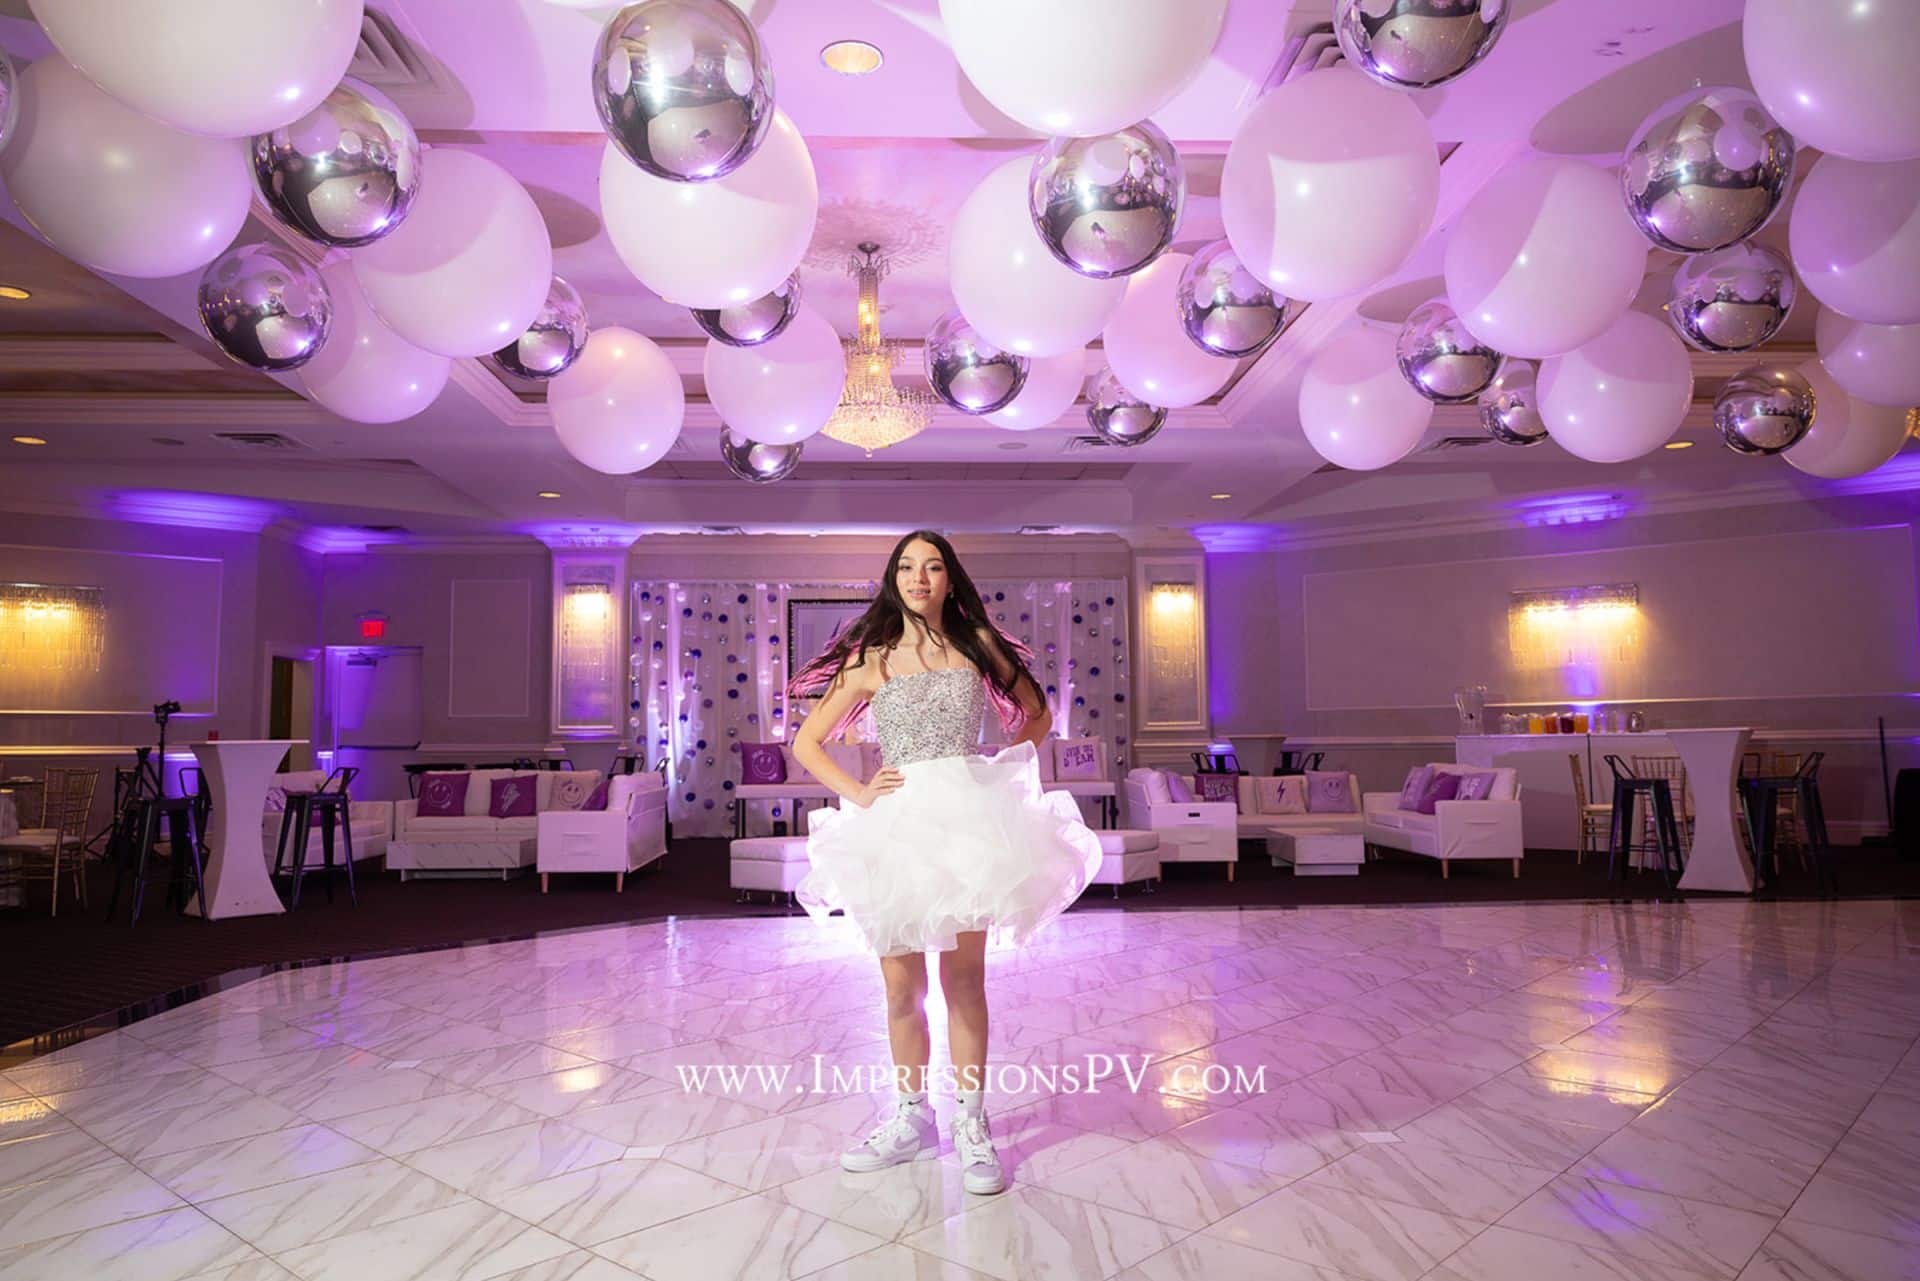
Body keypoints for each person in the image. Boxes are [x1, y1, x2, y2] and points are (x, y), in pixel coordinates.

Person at [785, 529, 1101, 1195]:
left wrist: (998, 766)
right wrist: (860, 792)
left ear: (949, 578)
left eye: (931, 567)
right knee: (902, 988)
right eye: (906, 567)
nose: (918, 578)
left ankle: (972, 1121)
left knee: (964, 983)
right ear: (893, 577)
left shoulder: (975, 645)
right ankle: (909, 1117)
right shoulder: (871, 659)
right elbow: (808, 742)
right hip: (897, 826)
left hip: (966, 825)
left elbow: (1038, 715)